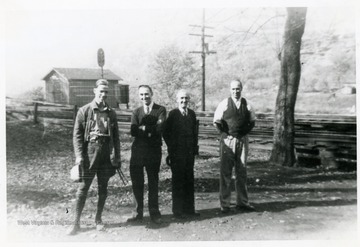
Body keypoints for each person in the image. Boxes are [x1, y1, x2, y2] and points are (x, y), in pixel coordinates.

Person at [68, 79, 121, 235]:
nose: (103, 94)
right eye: (101, 91)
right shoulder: (85, 111)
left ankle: (98, 220)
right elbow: (77, 136)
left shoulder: (111, 112)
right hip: (90, 154)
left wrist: (116, 156)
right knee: (83, 188)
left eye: (106, 92)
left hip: (106, 155)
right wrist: (79, 156)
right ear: (94, 91)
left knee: (103, 188)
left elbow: (116, 137)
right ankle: (75, 223)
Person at [213, 79, 256, 214]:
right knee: (225, 172)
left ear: (241, 89)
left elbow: (252, 121)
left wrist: (243, 134)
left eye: (237, 89)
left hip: (242, 140)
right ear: (230, 90)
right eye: (233, 89)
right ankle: (225, 204)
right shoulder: (224, 103)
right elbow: (216, 121)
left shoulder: (247, 104)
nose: (235, 91)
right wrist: (225, 135)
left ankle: (242, 202)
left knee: (241, 171)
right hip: (228, 141)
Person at [128, 85, 166, 224]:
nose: (144, 97)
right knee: (137, 183)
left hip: (153, 151)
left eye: (147, 94)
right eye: (142, 95)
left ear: (152, 94)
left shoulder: (160, 110)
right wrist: (151, 130)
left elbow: (160, 128)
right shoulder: (136, 112)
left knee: (153, 182)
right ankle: (137, 213)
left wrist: (143, 128)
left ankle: (154, 213)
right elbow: (133, 131)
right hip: (138, 152)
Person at [163, 89, 200, 219]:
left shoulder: (191, 114)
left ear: (188, 100)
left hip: (189, 153)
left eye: (186, 98)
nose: (184, 101)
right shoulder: (173, 114)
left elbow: (195, 133)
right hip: (177, 154)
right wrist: (172, 148)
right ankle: (178, 211)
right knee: (178, 181)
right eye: (182, 98)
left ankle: (189, 209)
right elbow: (165, 132)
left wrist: (194, 149)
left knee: (189, 179)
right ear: (177, 100)